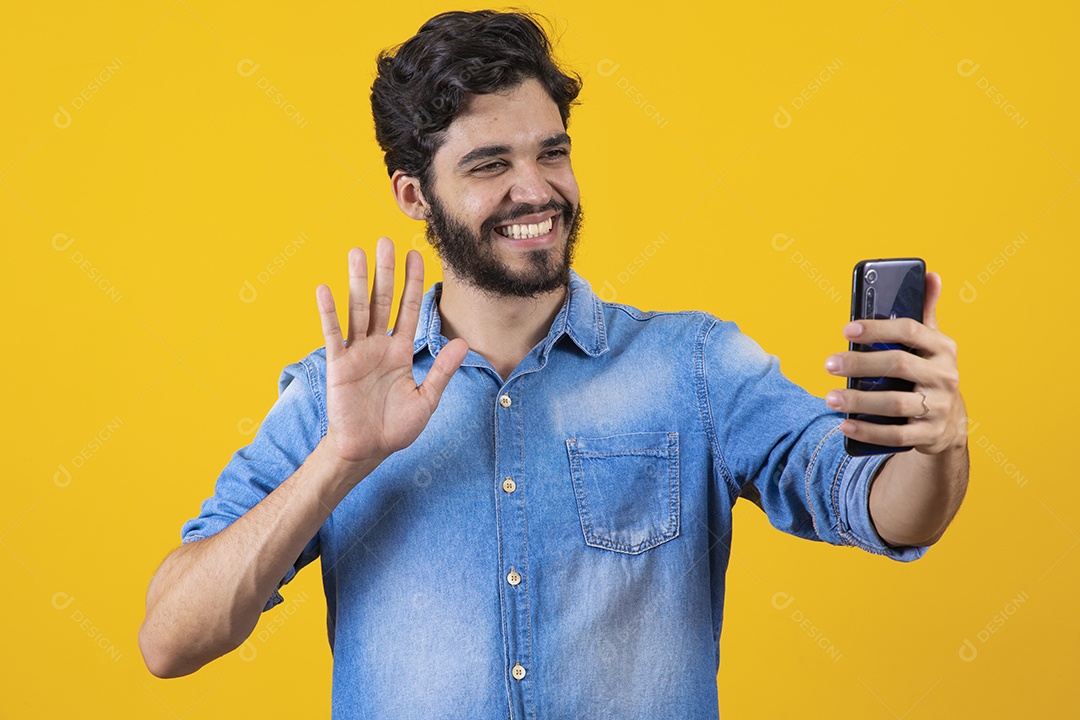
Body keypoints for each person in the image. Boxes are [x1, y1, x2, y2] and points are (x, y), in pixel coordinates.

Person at [139, 10, 968, 718]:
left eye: (551, 152)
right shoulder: (336, 399)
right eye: (490, 165)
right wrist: (339, 461)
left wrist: (934, 446)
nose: (536, 190)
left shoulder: (697, 366)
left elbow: (882, 510)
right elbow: (170, 639)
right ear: (414, 196)